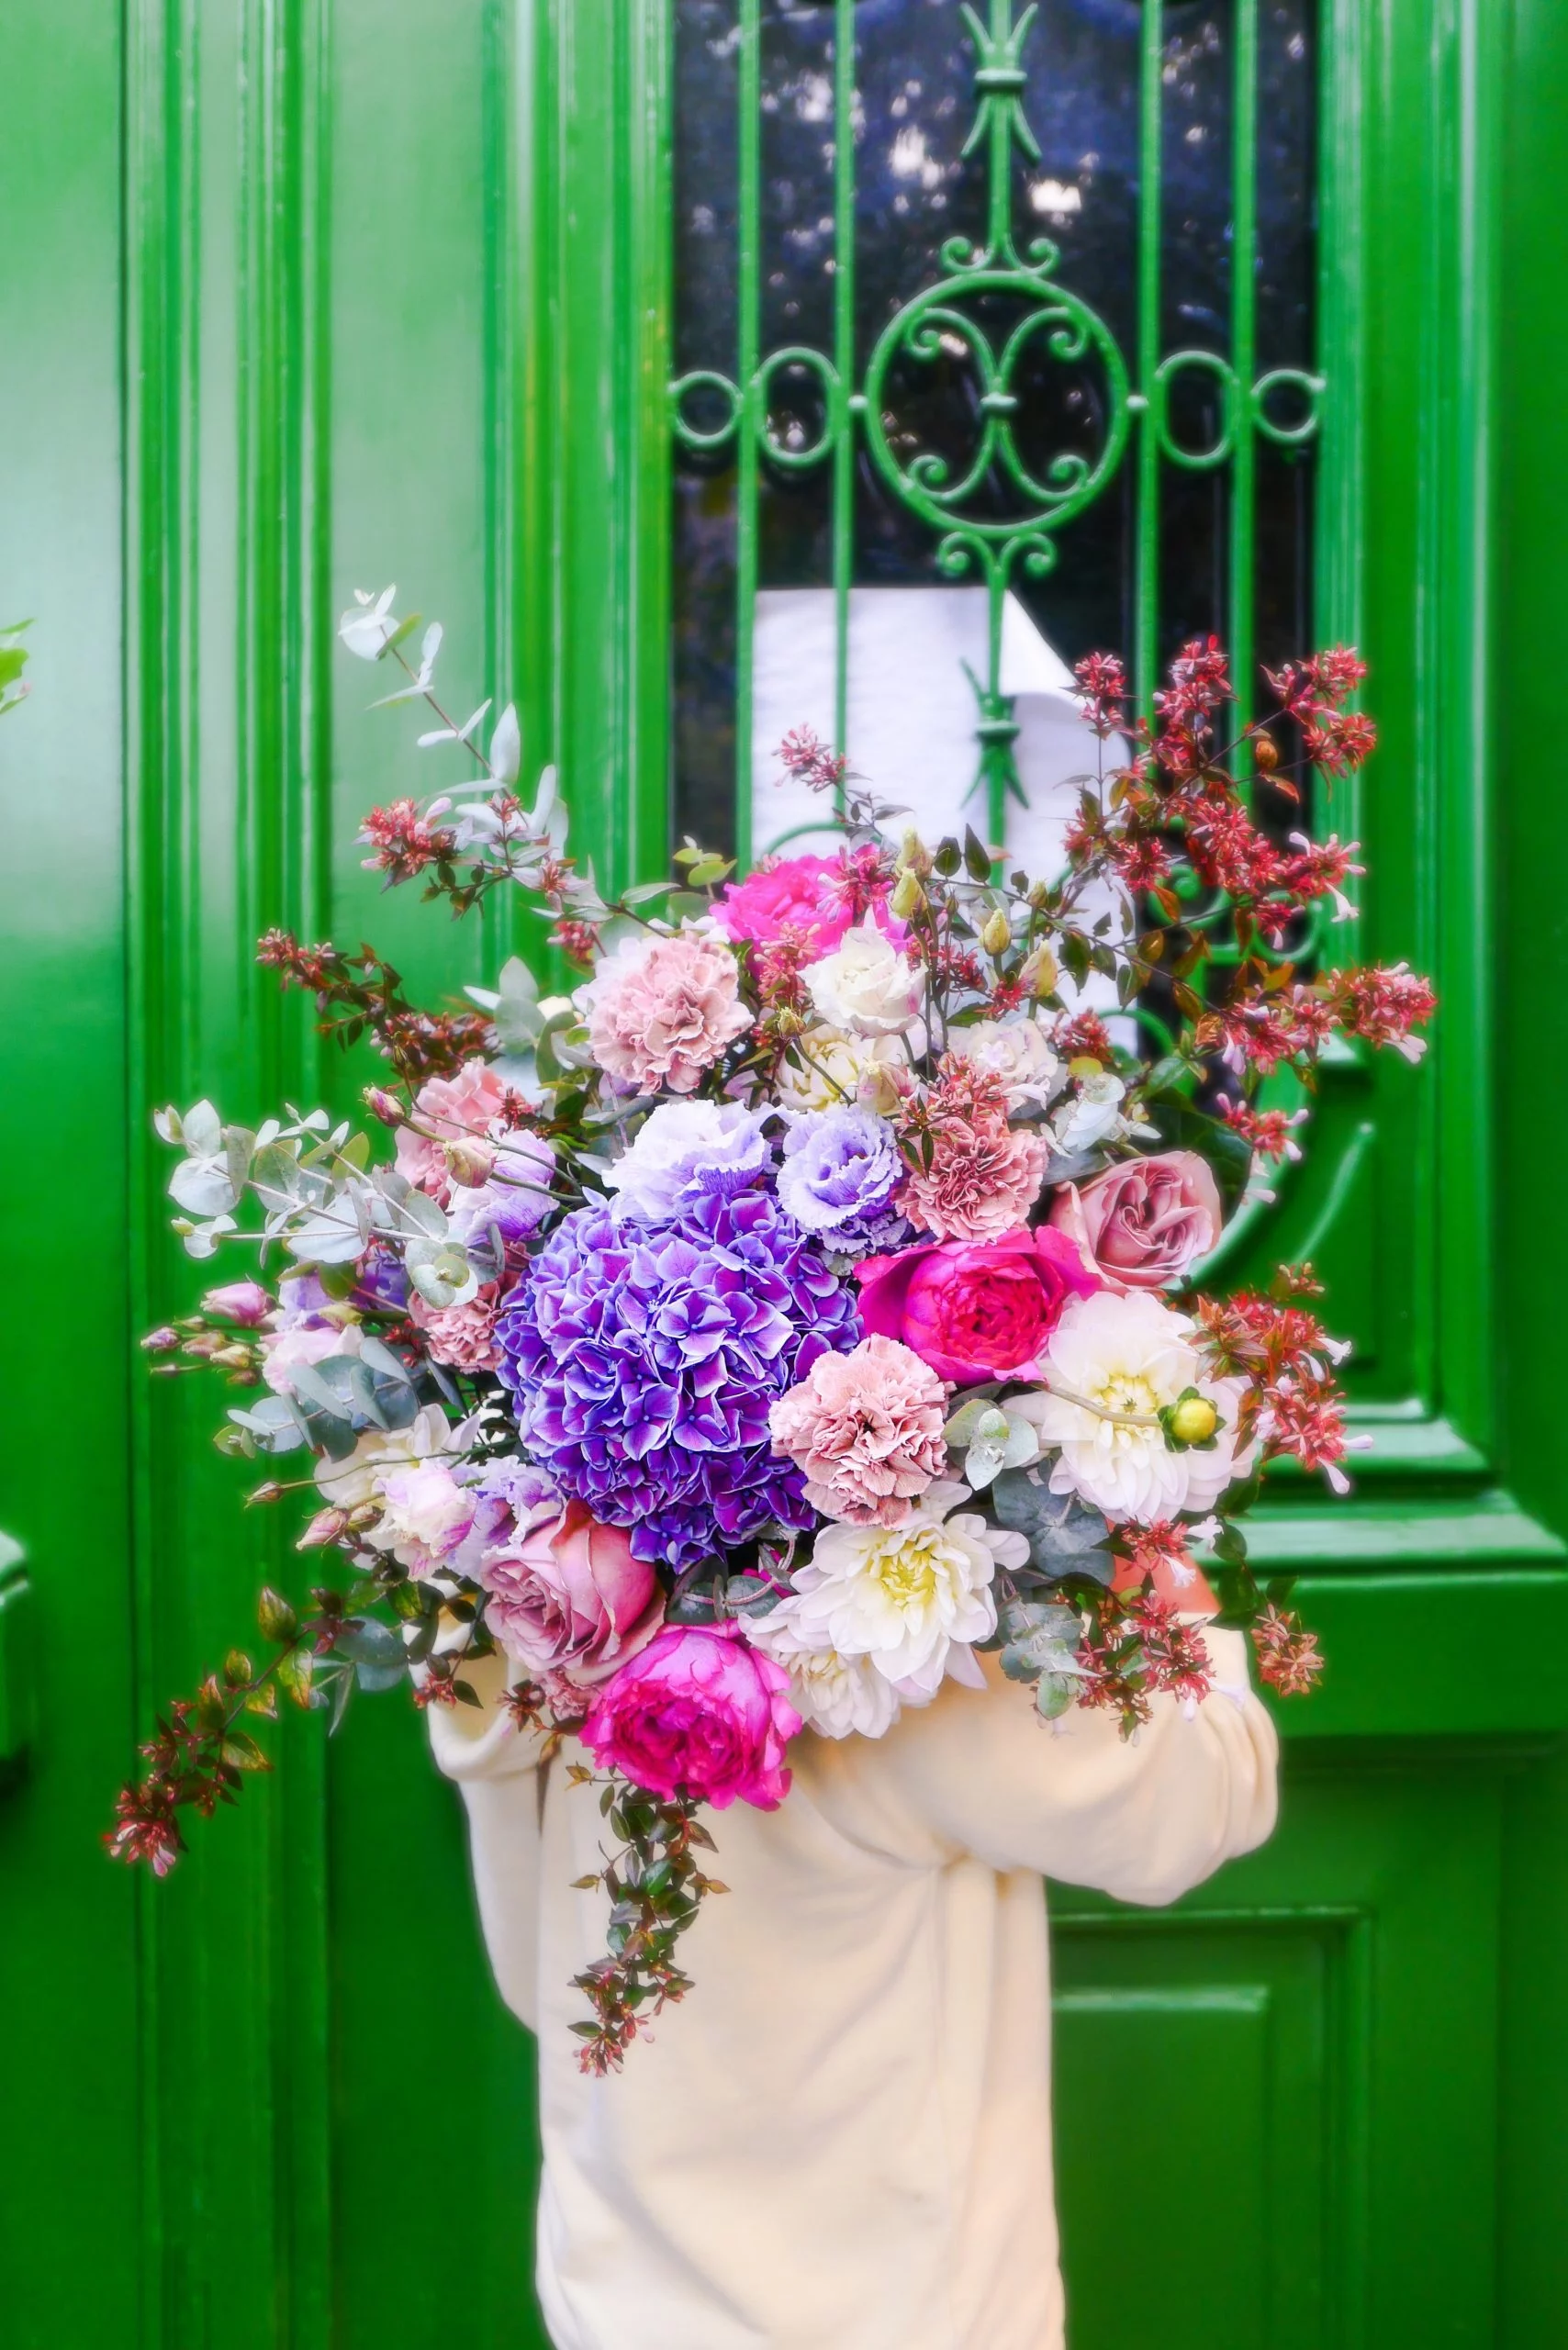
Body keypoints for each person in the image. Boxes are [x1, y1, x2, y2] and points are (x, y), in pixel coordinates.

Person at [431, 1625, 1278, 2350]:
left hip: (621, 2294)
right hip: (897, 2313)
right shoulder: (902, 1654)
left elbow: (536, 1971)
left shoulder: (528, 1603)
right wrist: (1161, 1571)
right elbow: (1190, 1801)